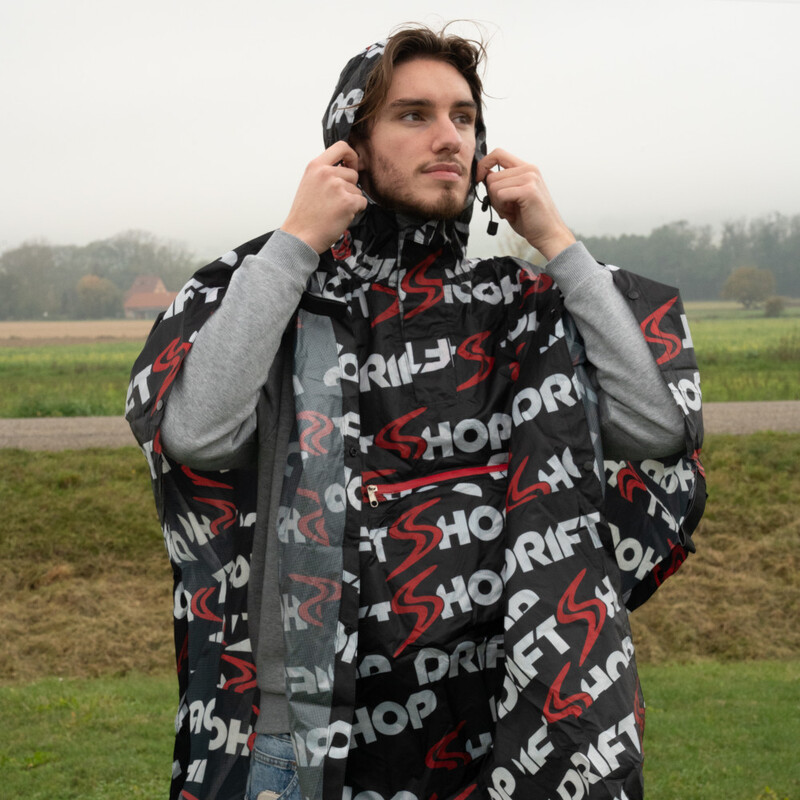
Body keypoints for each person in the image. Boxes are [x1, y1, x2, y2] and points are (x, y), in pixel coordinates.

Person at [126, 23, 705, 800]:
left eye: (464, 117)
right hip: (307, 748)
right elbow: (196, 435)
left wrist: (557, 241)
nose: (449, 138)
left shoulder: (520, 308)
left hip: (500, 736)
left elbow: (658, 430)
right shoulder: (283, 296)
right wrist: (296, 240)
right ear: (351, 148)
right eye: (414, 115)